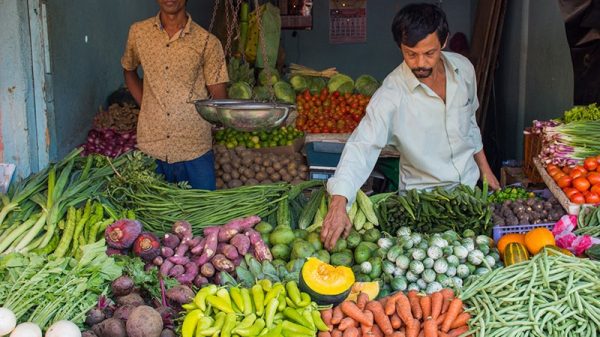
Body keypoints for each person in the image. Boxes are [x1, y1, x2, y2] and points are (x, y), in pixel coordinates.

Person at [321, 3, 500, 250]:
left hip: (469, 196)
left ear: (444, 41)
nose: (420, 63)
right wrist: (339, 203)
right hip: (423, 207)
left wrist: (485, 169)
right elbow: (362, 146)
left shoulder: (464, 70)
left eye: (429, 53)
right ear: (400, 48)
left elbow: (469, 122)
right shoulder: (391, 95)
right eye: (410, 54)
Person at [121, 0, 228, 190]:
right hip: (151, 147)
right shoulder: (138, 32)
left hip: (194, 149)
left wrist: (220, 121)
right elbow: (129, 70)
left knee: (201, 215)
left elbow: (218, 99)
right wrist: (145, 104)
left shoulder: (208, 42)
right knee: (151, 216)